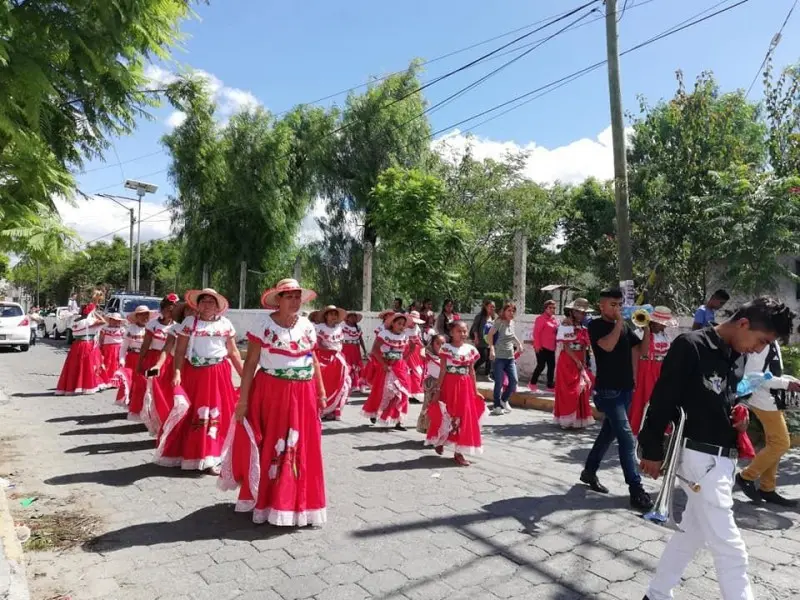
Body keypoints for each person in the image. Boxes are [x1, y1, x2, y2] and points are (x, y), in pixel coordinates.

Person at [639, 297, 794, 600]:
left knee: (691, 535)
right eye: (761, 341)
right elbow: (662, 399)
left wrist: (739, 415)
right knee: (731, 549)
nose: (759, 350)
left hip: (723, 460)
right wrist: (651, 450)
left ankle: (656, 594)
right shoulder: (691, 345)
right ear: (744, 324)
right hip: (699, 460)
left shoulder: (735, 357)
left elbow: (726, 399)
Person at [219, 278, 327, 527]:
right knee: (273, 444)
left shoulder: (308, 326)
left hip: (304, 393)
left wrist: (320, 392)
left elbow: (313, 360)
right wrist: (243, 400)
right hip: (272, 392)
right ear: (277, 300)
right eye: (288, 296)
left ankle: (298, 504)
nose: (294, 301)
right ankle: (268, 501)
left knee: (302, 445)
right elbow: (250, 364)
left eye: (297, 296)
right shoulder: (263, 326)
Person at [580, 288, 653, 511]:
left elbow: (642, 351)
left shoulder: (625, 327)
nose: (617, 309)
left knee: (607, 434)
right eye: (613, 305)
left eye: (619, 305)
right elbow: (607, 346)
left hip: (625, 389)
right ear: (601, 305)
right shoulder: (595, 325)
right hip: (608, 391)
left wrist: (648, 328)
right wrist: (620, 323)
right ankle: (636, 489)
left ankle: (589, 471)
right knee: (627, 439)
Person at [157, 289, 243, 473]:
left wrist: (244, 375)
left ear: (217, 306)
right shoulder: (189, 323)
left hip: (218, 373)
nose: (206, 305)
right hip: (194, 373)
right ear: (198, 304)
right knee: (193, 412)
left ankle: (215, 457)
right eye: (203, 301)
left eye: (211, 302)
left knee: (218, 411)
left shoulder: (226, 324)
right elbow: (180, 351)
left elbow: (233, 352)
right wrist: (177, 373)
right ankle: (192, 454)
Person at [736, 333, 800, 507]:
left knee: (774, 443)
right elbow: (755, 377)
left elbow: (769, 373)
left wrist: (787, 380)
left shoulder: (771, 342)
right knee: (781, 443)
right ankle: (745, 476)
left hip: (770, 400)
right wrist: (786, 384)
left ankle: (767, 488)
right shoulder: (761, 344)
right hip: (763, 400)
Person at [425, 321, 485, 465]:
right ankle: (440, 440)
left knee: (464, 418)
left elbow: (471, 371)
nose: (463, 334)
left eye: (465, 331)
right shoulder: (446, 348)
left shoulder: (470, 349)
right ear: (452, 333)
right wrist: (438, 389)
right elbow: (443, 370)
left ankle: (459, 453)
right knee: (447, 414)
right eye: (459, 331)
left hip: (465, 386)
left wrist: (475, 391)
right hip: (449, 385)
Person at [361, 312, 415, 430]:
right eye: (399, 323)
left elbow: (412, 347)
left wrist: (404, 359)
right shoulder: (384, 334)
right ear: (392, 324)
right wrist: (383, 363)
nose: (401, 326)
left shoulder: (405, 336)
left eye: (403, 324)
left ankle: (398, 421)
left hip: (400, 367)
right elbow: (375, 350)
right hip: (387, 366)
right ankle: (375, 412)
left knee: (403, 392)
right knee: (382, 391)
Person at [629, 307, 677, 435]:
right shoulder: (641, 334)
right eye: (661, 323)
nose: (663, 326)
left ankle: (658, 428)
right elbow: (641, 353)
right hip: (646, 370)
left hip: (662, 370)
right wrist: (646, 329)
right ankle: (640, 428)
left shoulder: (666, 336)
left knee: (660, 400)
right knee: (645, 399)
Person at [136, 294, 179, 435]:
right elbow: (145, 344)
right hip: (153, 360)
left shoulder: (179, 326)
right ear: (162, 309)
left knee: (168, 391)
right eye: (167, 309)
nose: (169, 312)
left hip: (171, 362)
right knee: (152, 390)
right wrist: (140, 362)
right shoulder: (153, 324)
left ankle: (167, 418)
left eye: (172, 309)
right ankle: (153, 418)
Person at [552, 299, 594, 429]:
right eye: (578, 312)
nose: (581, 315)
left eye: (583, 313)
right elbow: (566, 346)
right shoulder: (566, 326)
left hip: (580, 360)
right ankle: (566, 419)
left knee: (582, 390)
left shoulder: (583, 328)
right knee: (569, 391)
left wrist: (584, 364)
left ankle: (578, 419)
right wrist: (577, 361)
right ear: (572, 312)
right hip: (568, 361)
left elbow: (585, 348)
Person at [54, 305, 106, 396]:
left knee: (74, 366)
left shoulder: (75, 321)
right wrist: (96, 313)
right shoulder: (89, 321)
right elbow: (104, 322)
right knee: (86, 366)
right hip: (86, 344)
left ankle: (73, 386)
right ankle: (85, 386)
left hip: (76, 345)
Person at [312, 305, 352, 421]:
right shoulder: (320, 328)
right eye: (331, 314)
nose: (333, 316)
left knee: (342, 383)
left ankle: (334, 410)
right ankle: (323, 408)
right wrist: (329, 351)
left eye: (335, 314)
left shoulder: (339, 328)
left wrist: (337, 353)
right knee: (327, 384)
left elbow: (340, 343)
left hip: (337, 358)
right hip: (324, 359)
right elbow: (317, 344)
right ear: (326, 316)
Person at [114, 305, 155, 418]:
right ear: (136, 316)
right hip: (133, 358)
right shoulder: (130, 329)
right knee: (132, 383)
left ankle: (144, 406)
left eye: (146, 314)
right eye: (140, 314)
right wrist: (122, 359)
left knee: (145, 383)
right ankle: (132, 405)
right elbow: (124, 346)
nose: (144, 317)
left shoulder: (152, 328)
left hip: (147, 359)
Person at [488, 302, 523, 416]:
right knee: (498, 382)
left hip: (510, 357)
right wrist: (492, 349)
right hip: (499, 357)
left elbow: (512, 335)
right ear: (504, 311)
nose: (511, 313)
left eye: (513, 311)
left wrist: (519, 344)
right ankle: (497, 405)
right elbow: (490, 335)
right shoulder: (499, 322)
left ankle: (504, 399)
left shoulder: (512, 322)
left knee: (514, 381)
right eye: (509, 310)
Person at [417, 334, 445, 434]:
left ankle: (439, 431)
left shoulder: (447, 356)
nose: (440, 346)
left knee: (442, 409)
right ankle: (429, 430)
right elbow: (421, 354)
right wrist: (425, 347)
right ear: (432, 344)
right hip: (432, 383)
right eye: (437, 343)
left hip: (443, 384)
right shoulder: (429, 354)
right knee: (430, 406)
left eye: (443, 343)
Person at [530, 300, 559, 392]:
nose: (552, 309)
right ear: (545, 308)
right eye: (550, 307)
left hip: (551, 347)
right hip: (541, 347)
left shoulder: (555, 319)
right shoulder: (540, 319)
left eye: (554, 308)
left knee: (551, 366)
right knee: (541, 366)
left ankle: (550, 386)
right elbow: (536, 333)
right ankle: (532, 384)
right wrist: (537, 346)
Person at [341, 311, 368, 393]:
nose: (353, 318)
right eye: (351, 317)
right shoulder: (343, 327)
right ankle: (347, 384)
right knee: (347, 365)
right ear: (347, 318)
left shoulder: (358, 328)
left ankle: (357, 384)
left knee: (357, 365)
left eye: (354, 317)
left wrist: (364, 349)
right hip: (346, 348)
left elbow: (360, 339)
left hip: (355, 348)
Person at [98, 313, 125, 389]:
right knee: (107, 363)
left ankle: (115, 381)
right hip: (107, 348)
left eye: (117, 321)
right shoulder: (105, 329)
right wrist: (100, 347)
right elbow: (101, 339)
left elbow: (124, 339)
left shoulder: (121, 329)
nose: (115, 322)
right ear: (110, 320)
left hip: (118, 348)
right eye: (114, 320)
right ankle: (106, 380)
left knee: (116, 364)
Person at [404, 311, 426, 404]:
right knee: (407, 372)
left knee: (417, 372)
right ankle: (407, 393)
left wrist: (424, 349)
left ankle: (415, 393)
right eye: (413, 321)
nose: (414, 323)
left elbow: (419, 341)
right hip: (407, 351)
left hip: (416, 353)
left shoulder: (417, 328)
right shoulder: (403, 328)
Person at [470, 300, 495, 379]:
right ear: (485, 307)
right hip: (481, 340)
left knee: (490, 359)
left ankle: (487, 375)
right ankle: (472, 370)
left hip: (490, 340)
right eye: (490, 306)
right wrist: (476, 338)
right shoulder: (480, 316)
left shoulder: (494, 317)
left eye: (493, 307)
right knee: (483, 357)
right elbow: (475, 327)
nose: (492, 308)